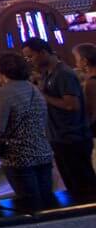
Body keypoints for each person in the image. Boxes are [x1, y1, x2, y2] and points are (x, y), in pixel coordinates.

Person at [23, 37, 96, 196]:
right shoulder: (49, 74)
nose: (29, 61)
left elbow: (72, 104)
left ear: (43, 52)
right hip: (61, 137)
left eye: (31, 56)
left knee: (83, 186)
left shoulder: (63, 73)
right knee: (73, 186)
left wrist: (42, 95)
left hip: (72, 138)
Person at [0, 51, 55, 208]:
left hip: (19, 155)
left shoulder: (3, 93)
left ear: (2, 70)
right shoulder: (34, 89)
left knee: (30, 203)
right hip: (43, 151)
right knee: (47, 201)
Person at [72, 43, 96, 135]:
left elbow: (91, 113)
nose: (76, 63)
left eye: (76, 58)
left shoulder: (91, 82)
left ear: (84, 61)